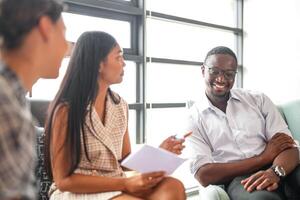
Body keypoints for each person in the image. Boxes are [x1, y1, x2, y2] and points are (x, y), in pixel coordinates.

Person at [44, 31, 186, 200]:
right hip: (77, 191)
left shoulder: (120, 106)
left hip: (116, 183)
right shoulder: (66, 110)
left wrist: (160, 153)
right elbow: (64, 181)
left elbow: (125, 162)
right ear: (98, 64)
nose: (124, 64)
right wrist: (125, 184)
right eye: (118, 57)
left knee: (173, 187)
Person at [187, 46, 300, 200]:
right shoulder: (193, 119)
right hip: (239, 179)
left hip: (280, 166)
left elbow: (289, 147)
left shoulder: (258, 99)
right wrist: (264, 157)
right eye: (214, 71)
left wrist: (274, 172)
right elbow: (204, 175)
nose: (221, 79)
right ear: (203, 71)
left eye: (229, 73)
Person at [0, 0, 67, 199]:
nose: (67, 48)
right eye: (64, 34)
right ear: (45, 28)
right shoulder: (6, 105)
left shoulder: (14, 96)